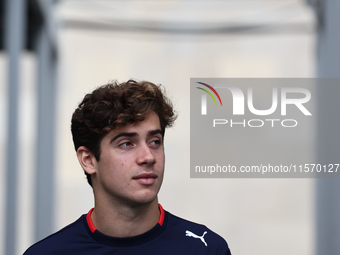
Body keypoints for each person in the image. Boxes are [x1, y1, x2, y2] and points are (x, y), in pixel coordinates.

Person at [24, 80, 231, 254]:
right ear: (88, 160)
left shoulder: (206, 248)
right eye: (126, 144)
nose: (148, 156)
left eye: (155, 141)